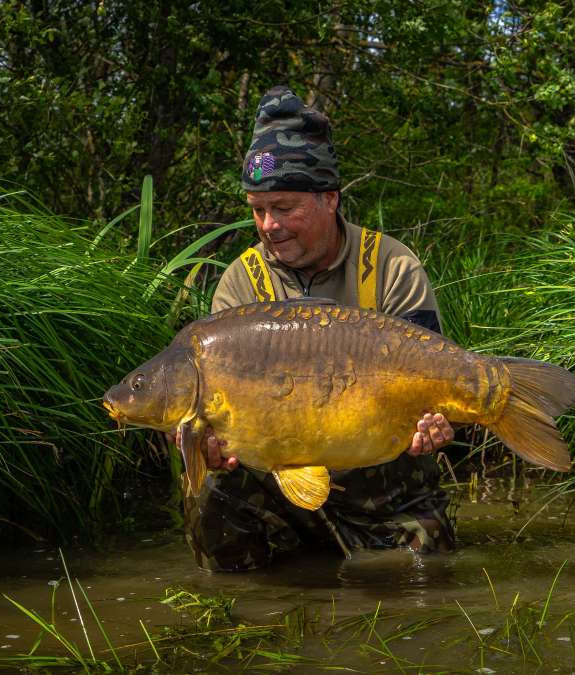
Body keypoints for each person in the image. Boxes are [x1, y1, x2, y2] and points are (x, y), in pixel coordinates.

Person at [181, 85, 456, 572]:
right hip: (276, 484)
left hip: (382, 480)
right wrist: (210, 448)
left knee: (421, 581)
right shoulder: (241, 282)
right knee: (209, 488)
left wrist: (437, 422)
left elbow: (436, 382)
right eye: (258, 209)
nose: (268, 225)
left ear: (329, 198)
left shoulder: (392, 267)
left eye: (284, 208)